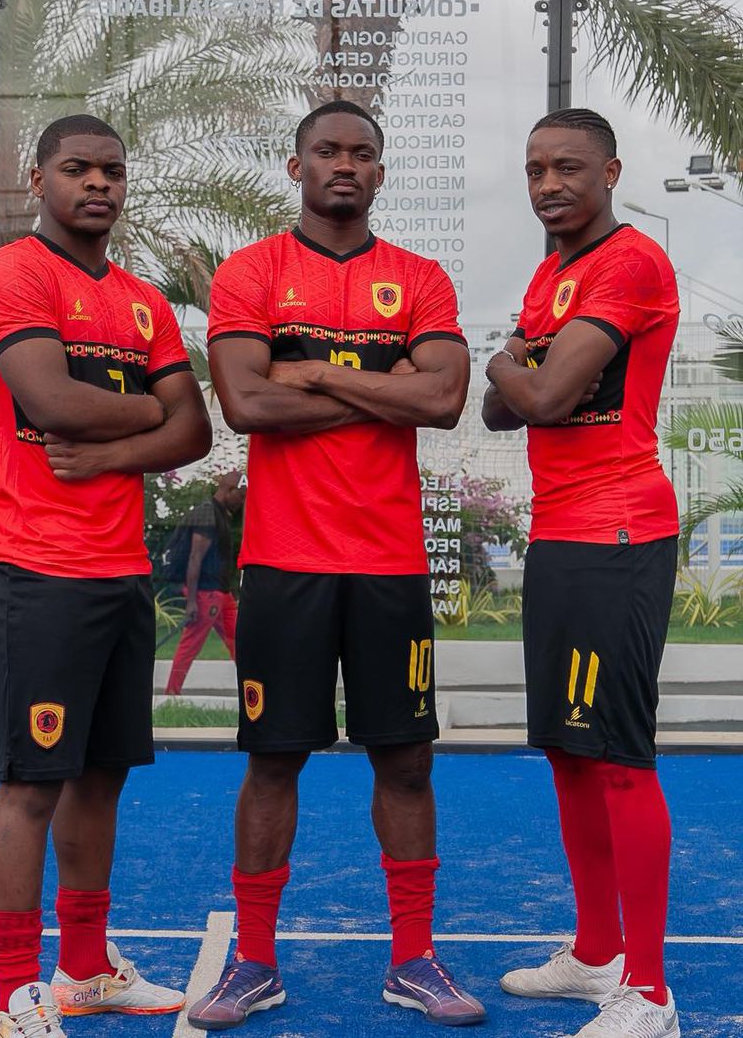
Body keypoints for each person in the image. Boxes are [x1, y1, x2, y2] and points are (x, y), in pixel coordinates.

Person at [186, 99, 485, 1031]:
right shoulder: (252, 273)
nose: (343, 166)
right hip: (283, 562)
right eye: (327, 152)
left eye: (361, 153)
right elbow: (244, 404)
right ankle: (256, 963)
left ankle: (413, 961)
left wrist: (310, 372)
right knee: (274, 761)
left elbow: (442, 401)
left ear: (381, 173)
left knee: (405, 761)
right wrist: (382, 391)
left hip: (390, 563)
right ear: (297, 166)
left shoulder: (420, 279)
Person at [0, 114, 212, 1038]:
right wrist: (152, 403)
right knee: (31, 783)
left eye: (112, 171)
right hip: (33, 567)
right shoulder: (15, 274)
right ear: (39, 181)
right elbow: (48, 397)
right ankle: (14, 994)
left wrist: (117, 450)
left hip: (118, 571)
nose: (98, 185)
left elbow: (194, 434)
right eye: (77, 169)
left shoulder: (144, 301)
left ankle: (83, 971)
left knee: (101, 775)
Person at [482, 109, 680, 1038]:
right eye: (533, 170)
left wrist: (505, 356)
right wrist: (516, 376)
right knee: (568, 750)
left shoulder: (629, 264)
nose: (548, 183)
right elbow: (497, 414)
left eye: (567, 167)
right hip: (560, 532)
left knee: (620, 759)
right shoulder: (553, 275)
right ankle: (596, 954)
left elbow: (544, 393)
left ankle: (651, 992)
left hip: (619, 531)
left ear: (609, 172)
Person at [165, 471, 247, 696]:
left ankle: (251, 688)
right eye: (240, 497)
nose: (241, 503)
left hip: (222, 593)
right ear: (229, 490)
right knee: (191, 644)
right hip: (205, 593)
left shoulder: (220, 514)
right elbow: (195, 558)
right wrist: (191, 601)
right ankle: (172, 694)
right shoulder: (207, 513)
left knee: (240, 639)